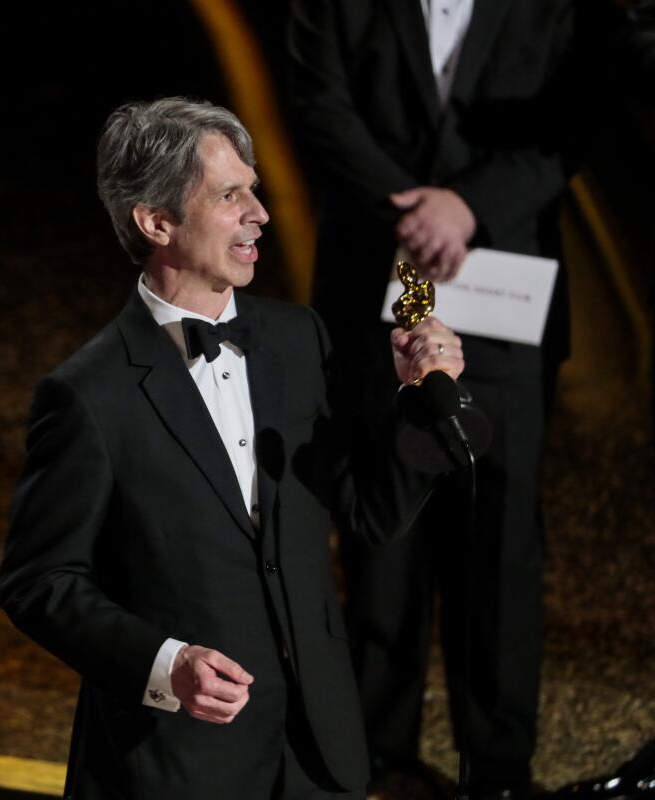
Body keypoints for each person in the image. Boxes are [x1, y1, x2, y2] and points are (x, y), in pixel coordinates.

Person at [0, 97, 465, 800]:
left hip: (316, 754)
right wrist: (166, 664)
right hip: (176, 765)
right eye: (229, 195)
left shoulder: (299, 341)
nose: (261, 213)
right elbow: (40, 583)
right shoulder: (87, 394)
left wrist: (419, 409)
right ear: (156, 222)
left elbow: (369, 513)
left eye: (254, 189)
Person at [286, 3, 576, 796]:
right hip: (374, 281)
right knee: (381, 531)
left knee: (503, 537)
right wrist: (411, 209)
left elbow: (574, 117)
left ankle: (500, 763)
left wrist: (468, 204)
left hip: (504, 290)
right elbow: (318, 105)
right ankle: (375, 752)